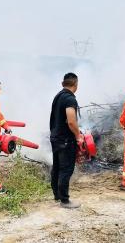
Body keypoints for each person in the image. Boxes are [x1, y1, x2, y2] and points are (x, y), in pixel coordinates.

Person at [50, 73, 84, 209]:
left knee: (57, 167)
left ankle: (57, 195)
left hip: (55, 137)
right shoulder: (70, 99)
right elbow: (71, 121)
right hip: (65, 140)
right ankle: (65, 201)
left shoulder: (58, 96)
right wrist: (78, 136)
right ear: (75, 84)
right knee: (66, 169)